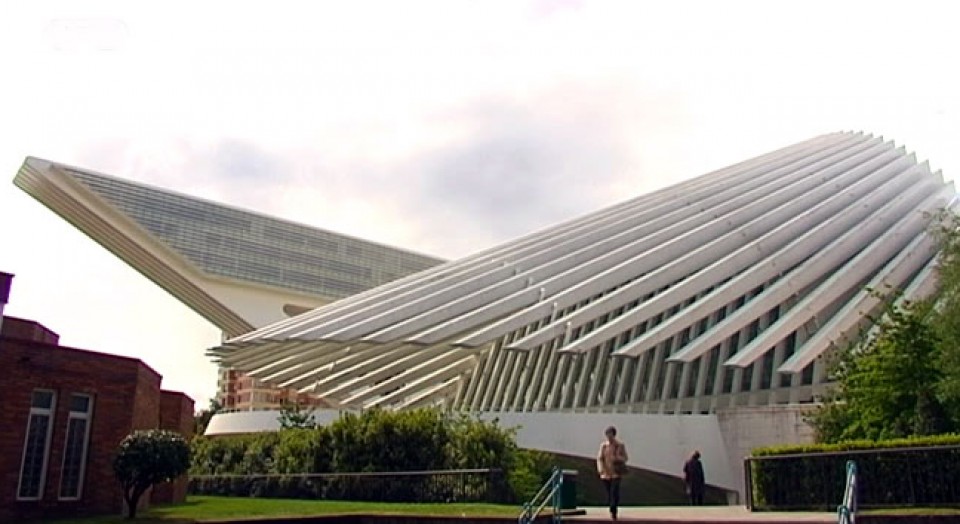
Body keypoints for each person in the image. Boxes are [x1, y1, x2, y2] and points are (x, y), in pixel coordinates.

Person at [596, 425, 628, 520]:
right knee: (609, 493)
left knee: (614, 492)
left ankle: (613, 510)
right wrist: (600, 469)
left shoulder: (619, 445)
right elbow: (600, 458)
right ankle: (612, 506)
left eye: (610, 434)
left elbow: (625, 458)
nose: (609, 437)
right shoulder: (603, 446)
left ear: (614, 435)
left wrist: (618, 458)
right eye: (607, 435)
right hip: (606, 473)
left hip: (616, 473)